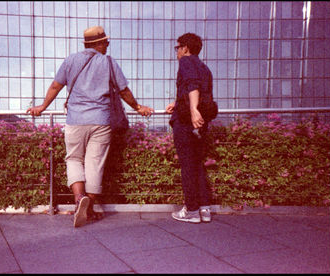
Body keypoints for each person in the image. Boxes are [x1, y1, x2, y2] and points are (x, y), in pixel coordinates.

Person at [27, 26, 154, 227]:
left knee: (74, 159)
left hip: (75, 120)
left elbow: (55, 86)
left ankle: (79, 200)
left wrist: (42, 107)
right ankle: (90, 208)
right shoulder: (109, 63)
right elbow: (124, 91)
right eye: (106, 42)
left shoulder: (71, 60)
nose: (108, 46)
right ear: (99, 43)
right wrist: (138, 107)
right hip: (101, 120)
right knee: (95, 163)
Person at [165, 33, 213, 223]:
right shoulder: (204, 68)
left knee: (187, 165)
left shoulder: (186, 62)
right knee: (197, 164)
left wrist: (191, 110)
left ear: (185, 47)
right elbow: (199, 91)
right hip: (201, 123)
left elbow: (192, 86)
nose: (176, 51)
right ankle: (204, 209)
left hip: (187, 121)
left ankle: (191, 211)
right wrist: (178, 103)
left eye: (177, 47)